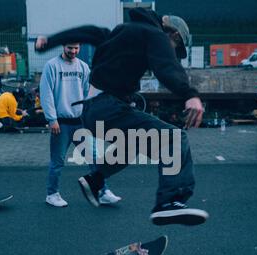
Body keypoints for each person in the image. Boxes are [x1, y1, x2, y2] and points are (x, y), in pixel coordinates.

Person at [35, 8, 208, 225]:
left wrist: (50, 41)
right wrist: (190, 95)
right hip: (108, 108)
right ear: (172, 35)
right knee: (174, 138)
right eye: (174, 48)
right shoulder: (156, 35)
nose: (169, 51)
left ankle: (95, 180)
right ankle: (169, 201)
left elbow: (89, 32)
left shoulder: (121, 31)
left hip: (90, 112)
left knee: (133, 144)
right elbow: (167, 67)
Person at [40, 43, 121, 207]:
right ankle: (52, 194)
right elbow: (46, 92)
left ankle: (103, 192)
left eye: (76, 48)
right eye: (70, 48)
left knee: (95, 159)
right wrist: (52, 119)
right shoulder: (52, 66)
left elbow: (88, 93)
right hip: (61, 123)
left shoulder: (83, 67)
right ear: (63, 46)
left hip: (80, 123)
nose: (73, 51)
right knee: (57, 162)